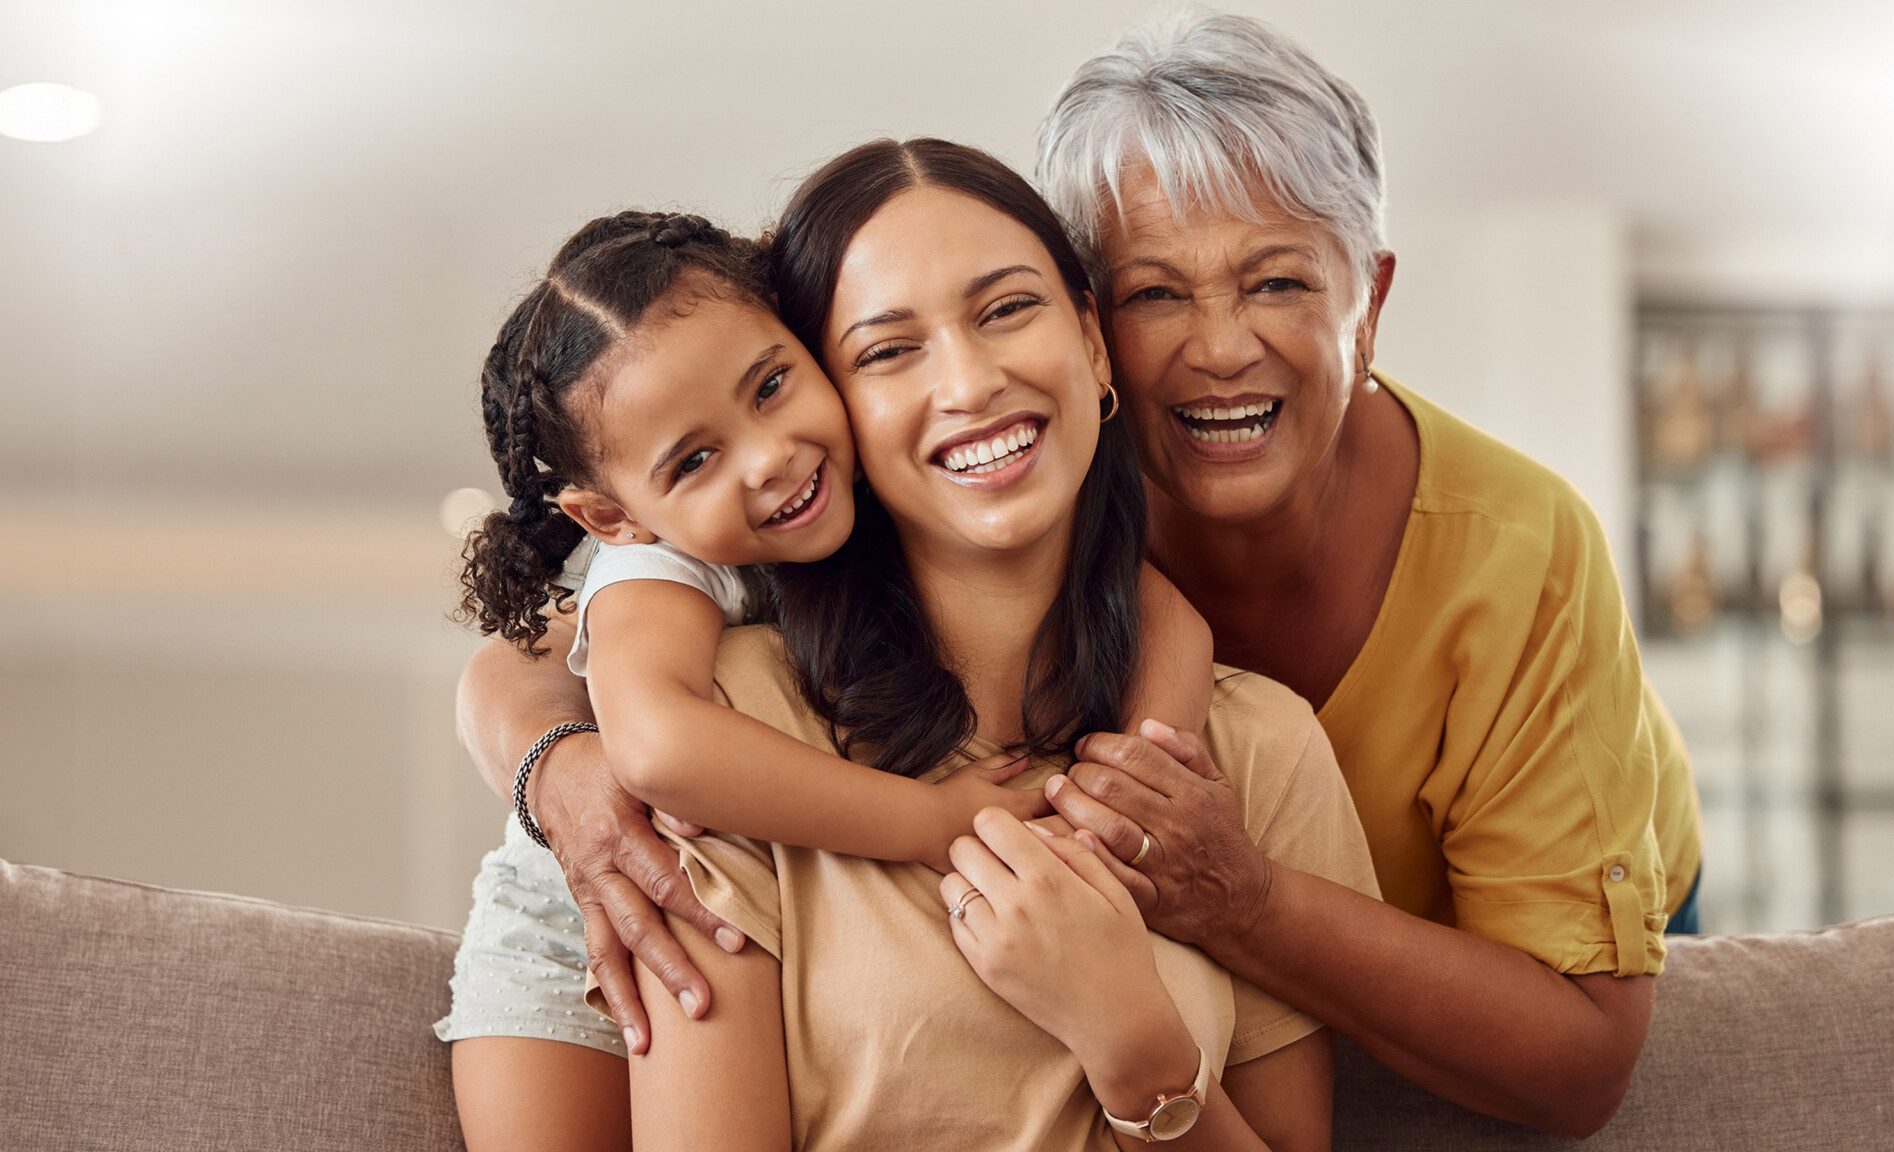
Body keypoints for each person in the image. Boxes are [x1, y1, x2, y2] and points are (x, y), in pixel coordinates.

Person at [459, 11, 1702, 1141]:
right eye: (1158, 292)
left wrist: (1176, 962)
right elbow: (578, 640)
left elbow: (1578, 1060)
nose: (1217, 352)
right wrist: (558, 760)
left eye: (1276, 280)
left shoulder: (1466, 579)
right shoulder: (827, 565)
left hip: (1567, 917)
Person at [468, 137, 1380, 1150]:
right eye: (887, 350)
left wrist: (1132, 1043)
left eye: (1005, 310)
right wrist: (549, 756)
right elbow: (569, 690)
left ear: (1091, 342)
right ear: (849, 396)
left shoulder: (1260, 745)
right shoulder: (729, 716)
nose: (969, 382)